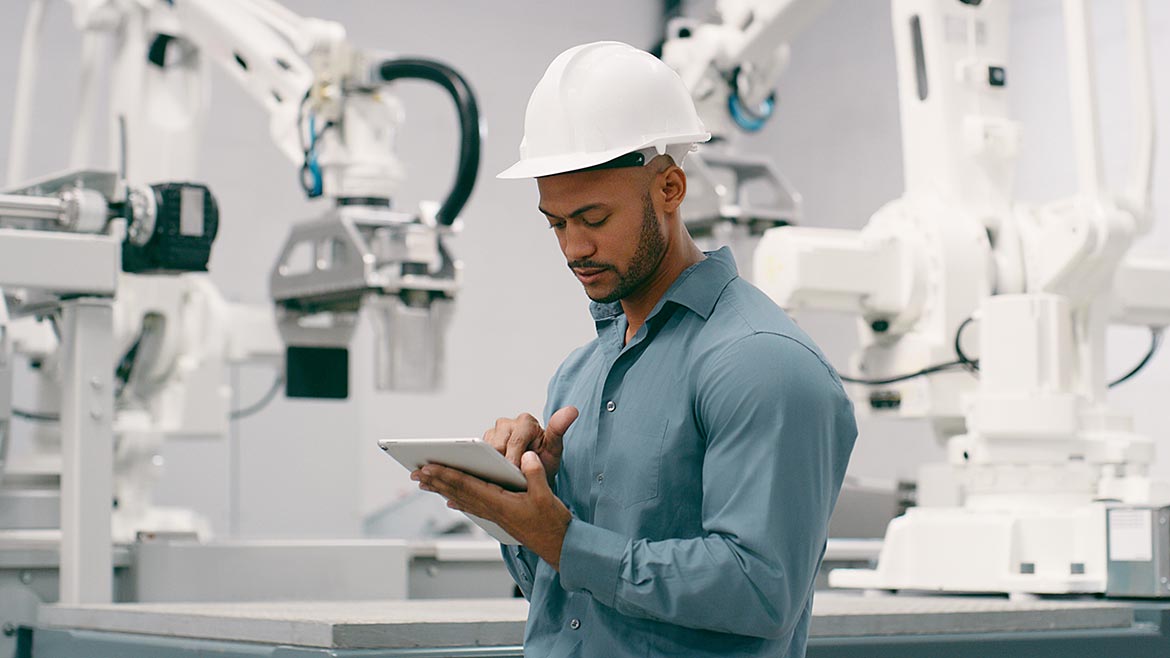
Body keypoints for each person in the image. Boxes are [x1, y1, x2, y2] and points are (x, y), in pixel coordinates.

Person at [412, 41, 857, 657]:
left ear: (670, 187)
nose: (574, 249)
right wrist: (520, 511)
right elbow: (565, 597)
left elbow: (760, 591)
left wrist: (567, 540)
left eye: (594, 218)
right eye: (556, 223)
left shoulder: (761, 363)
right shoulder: (580, 374)